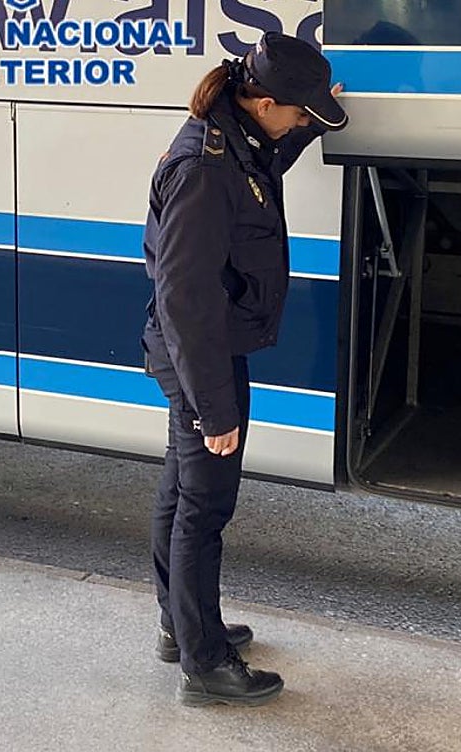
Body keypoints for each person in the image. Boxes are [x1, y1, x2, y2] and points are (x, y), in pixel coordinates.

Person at [140, 32, 347, 707]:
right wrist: (215, 407)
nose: (301, 120)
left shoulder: (237, 142)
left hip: (203, 349)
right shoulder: (204, 167)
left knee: (181, 493)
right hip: (201, 356)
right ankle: (205, 664)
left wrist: (304, 131)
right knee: (204, 507)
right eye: (296, 111)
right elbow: (184, 296)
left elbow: (260, 176)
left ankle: (183, 623)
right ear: (261, 101)